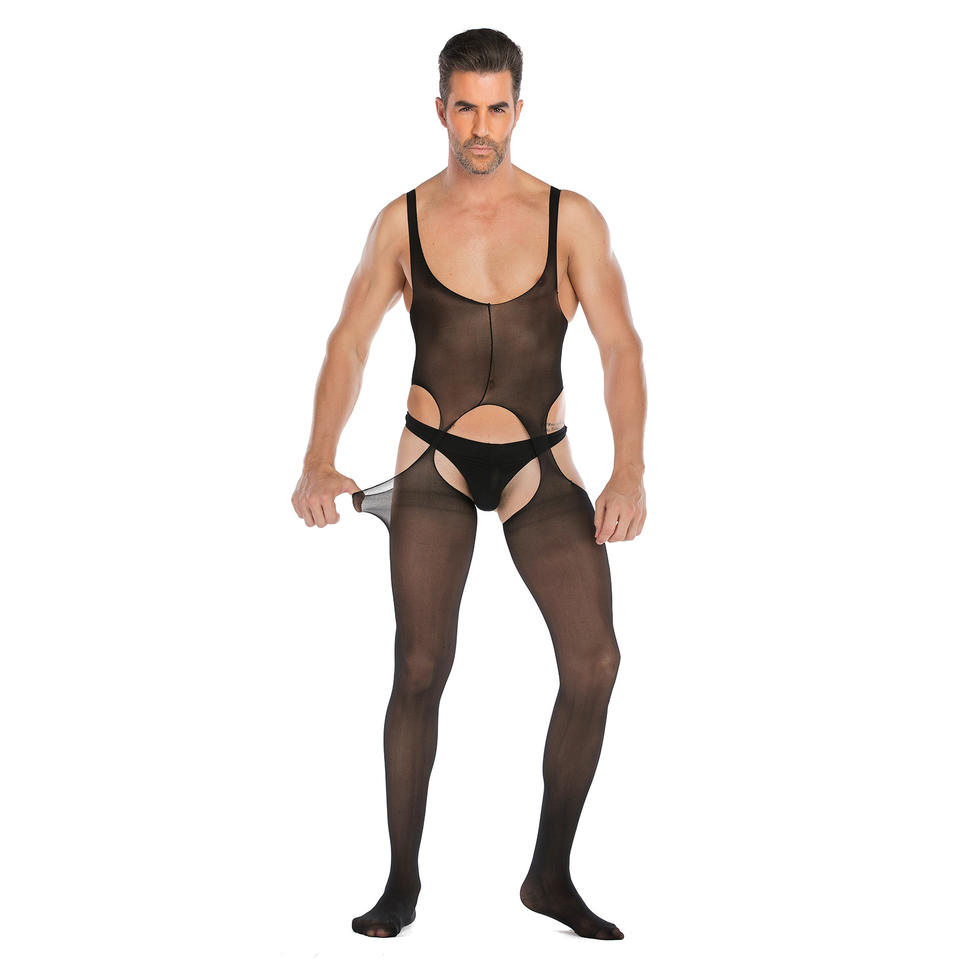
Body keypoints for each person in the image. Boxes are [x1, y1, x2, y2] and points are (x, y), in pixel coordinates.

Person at [291, 27, 647, 940]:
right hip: (433, 460)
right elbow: (348, 342)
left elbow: (620, 347)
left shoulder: (570, 217)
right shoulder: (401, 220)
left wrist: (629, 469)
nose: (481, 128)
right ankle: (401, 882)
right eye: (465, 108)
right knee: (419, 665)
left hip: (541, 461)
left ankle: (550, 875)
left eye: (496, 108)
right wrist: (319, 456)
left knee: (596, 663)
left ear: (519, 109)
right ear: (440, 109)